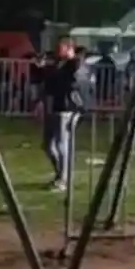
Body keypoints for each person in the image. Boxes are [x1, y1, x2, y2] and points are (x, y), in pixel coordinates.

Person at [34, 41, 86, 191]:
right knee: (48, 145)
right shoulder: (59, 64)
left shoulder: (75, 64)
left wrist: (52, 65)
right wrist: (42, 67)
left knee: (62, 144)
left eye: (61, 47)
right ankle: (61, 174)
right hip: (54, 107)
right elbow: (48, 83)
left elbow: (69, 81)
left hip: (68, 108)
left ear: (70, 49)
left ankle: (63, 179)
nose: (57, 50)